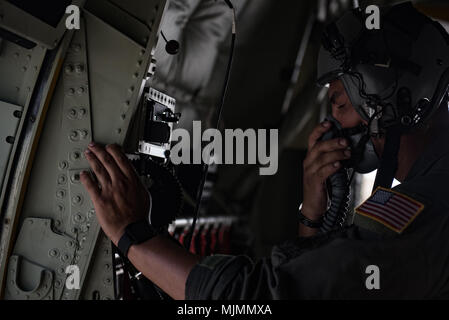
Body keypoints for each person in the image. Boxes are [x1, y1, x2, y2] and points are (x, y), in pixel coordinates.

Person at [80, 2, 449, 299]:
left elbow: (259, 299)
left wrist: (133, 234)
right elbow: (314, 279)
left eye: (338, 102)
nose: (332, 123)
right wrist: (313, 216)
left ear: (385, 98)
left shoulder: (427, 211)